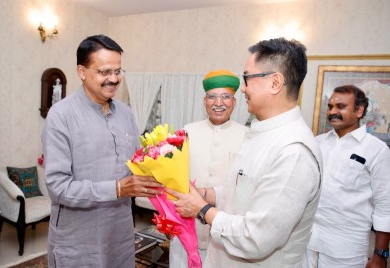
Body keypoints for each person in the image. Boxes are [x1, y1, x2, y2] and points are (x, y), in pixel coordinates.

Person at [167, 37, 322, 267]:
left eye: (247, 78)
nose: (245, 88)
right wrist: (207, 194)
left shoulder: (293, 152)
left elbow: (255, 238)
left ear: (275, 82)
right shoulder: (263, 134)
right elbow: (245, 190)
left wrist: (202, 209)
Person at [41, 35, 163, 268]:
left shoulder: (126, 114)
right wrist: (117, 188)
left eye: (118, 71)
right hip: (79, 239)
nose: (114, 79)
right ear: (82, 71)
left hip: (120, 235)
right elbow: (58, 187)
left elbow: (138, 163)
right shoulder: (61, 116)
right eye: (105, 72)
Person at [303, 85, 390, 268]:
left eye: (340, 107)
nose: (333, 112)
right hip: (307, 244)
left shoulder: (377, 150)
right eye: (330, 107)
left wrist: (380, 255)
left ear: (359, 111)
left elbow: (385, 205)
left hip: (346, 252)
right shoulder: (318, 143)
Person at [169, 70, 249, 266]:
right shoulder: (187, 131)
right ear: (205, 101)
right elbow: (171, 178)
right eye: (212, 96)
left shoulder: (248, 136)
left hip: (224, 235)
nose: (219, 103)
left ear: (235, 102)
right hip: (186, 227)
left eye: (226, 97)